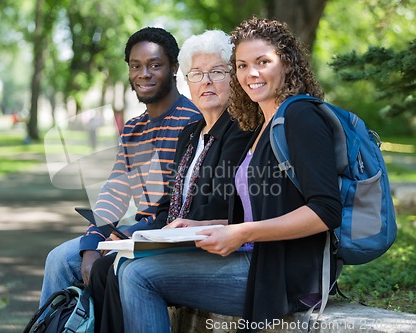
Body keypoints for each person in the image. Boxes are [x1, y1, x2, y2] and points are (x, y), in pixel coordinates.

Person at [119, 17, 342, 333]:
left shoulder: (301, 116)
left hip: (286, 276)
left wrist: (243, 233)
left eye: (262, 62)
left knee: (137, 275)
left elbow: (326, 210)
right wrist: (206, 225)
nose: (251, 73)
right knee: (129, 266)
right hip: (257, 260)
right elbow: (267, 209)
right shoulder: (263, 124)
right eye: (241, 65)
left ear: (288, 64)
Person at [93, 29, 257, 333]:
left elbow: (222, 203)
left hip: (217, 248)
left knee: (128, 272)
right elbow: (170, 201)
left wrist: (170, 229)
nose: (205, 81)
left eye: (217, 72)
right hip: (181, 238)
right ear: (188, 81)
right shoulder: (191, 134)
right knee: (107, 263)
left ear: (233, 78)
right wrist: (131, 233)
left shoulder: (241, 130)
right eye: (197, 73)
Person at [38, 27, 202, 330]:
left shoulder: (192, 122)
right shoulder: (133, 128)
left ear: (174, 68)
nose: (144, 74)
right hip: (133, 234)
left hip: (164, 235)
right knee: (60, 259)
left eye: (155, 65)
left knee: (96, 265)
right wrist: (93, 240)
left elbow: (176, 204)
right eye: (136, 66)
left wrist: (120, 239)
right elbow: (115, 190)